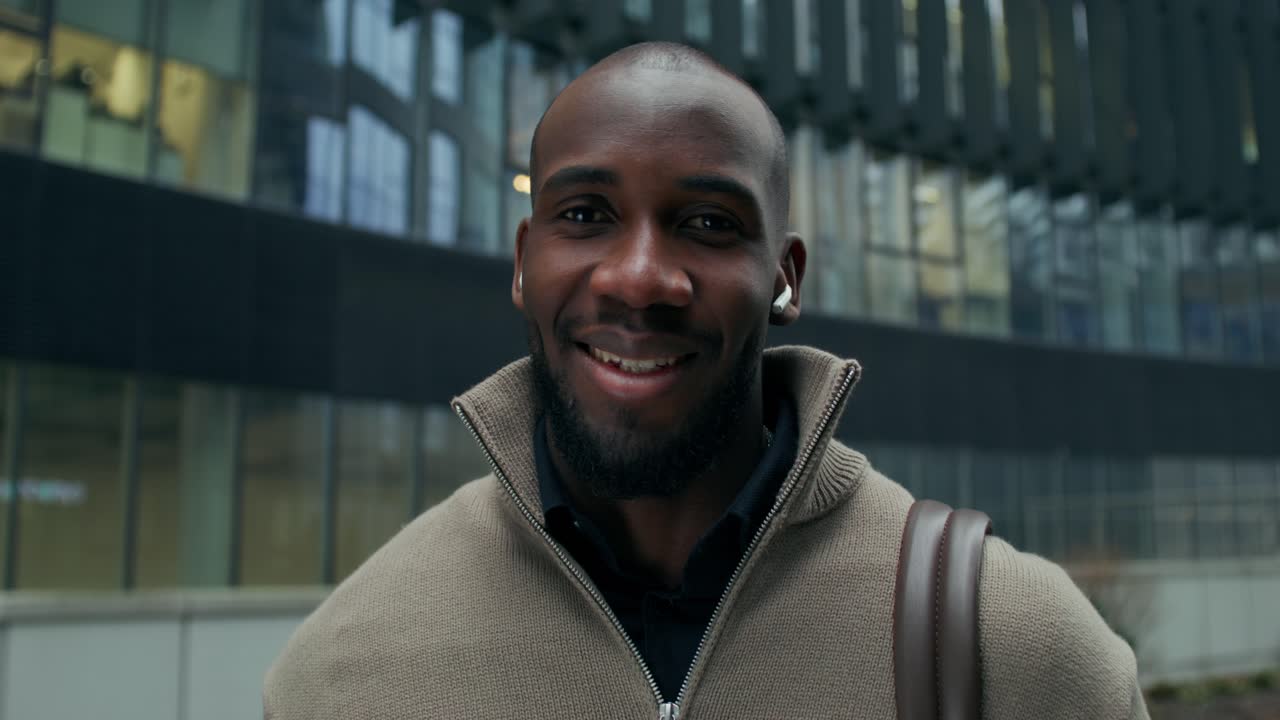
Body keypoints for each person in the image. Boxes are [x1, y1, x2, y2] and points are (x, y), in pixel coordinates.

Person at [264, 42, 1148, 719]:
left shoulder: (1015, 645)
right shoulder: (344, 669)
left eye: (708, 223)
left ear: (785, 276)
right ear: (525, 264)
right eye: (584, 214)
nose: (640, 277)